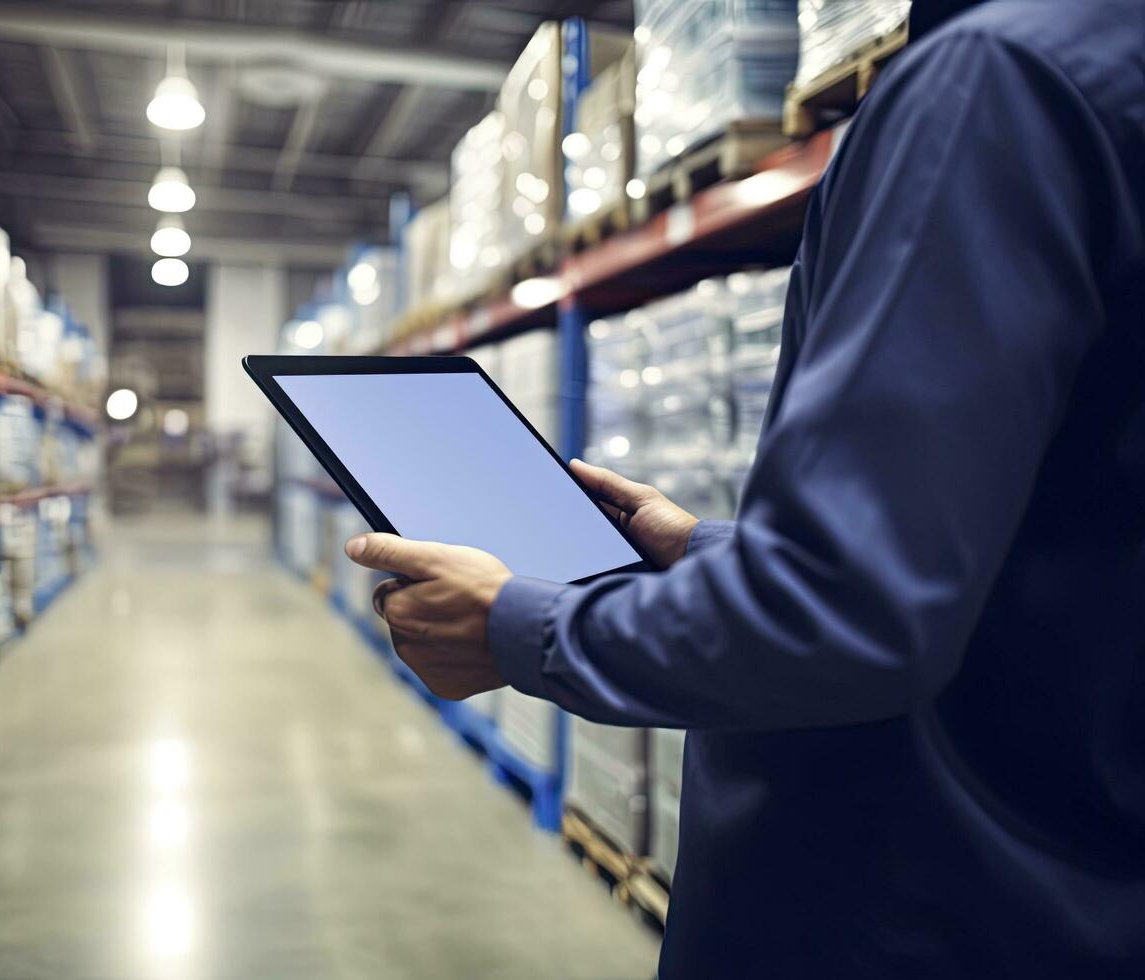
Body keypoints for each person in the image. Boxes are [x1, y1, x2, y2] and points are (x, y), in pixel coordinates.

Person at [344, 1, 1145, 976]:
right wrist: (710, 550)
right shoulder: (1104, 65)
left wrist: (519, 625)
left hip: (909, 902)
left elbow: (845, 611)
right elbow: (1046, 547)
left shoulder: (998, 79)